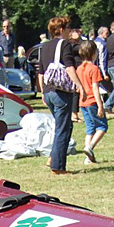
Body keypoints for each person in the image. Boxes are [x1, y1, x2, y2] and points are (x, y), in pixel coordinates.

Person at [38, 16, 83, 175]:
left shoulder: (44, 47)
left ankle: (52, 157)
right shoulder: (64, 45)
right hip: (61, 92)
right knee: (62, 129)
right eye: (68, 28)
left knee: (65, 126)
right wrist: (79, 85)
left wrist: (43, 92)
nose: (70, 31)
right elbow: (70, 68)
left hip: (49, 92)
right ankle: (57, 167)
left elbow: (41, 72)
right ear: (62, 29)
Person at [76, 40, 107, 165]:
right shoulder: (94, 69)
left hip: (82, 102)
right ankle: (90, 147)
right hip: (92, 101)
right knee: (102, 127)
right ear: (93, 53)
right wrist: (100, 106)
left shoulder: (79, 68)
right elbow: (95, 88)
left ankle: (87, 158)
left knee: (90, 129)